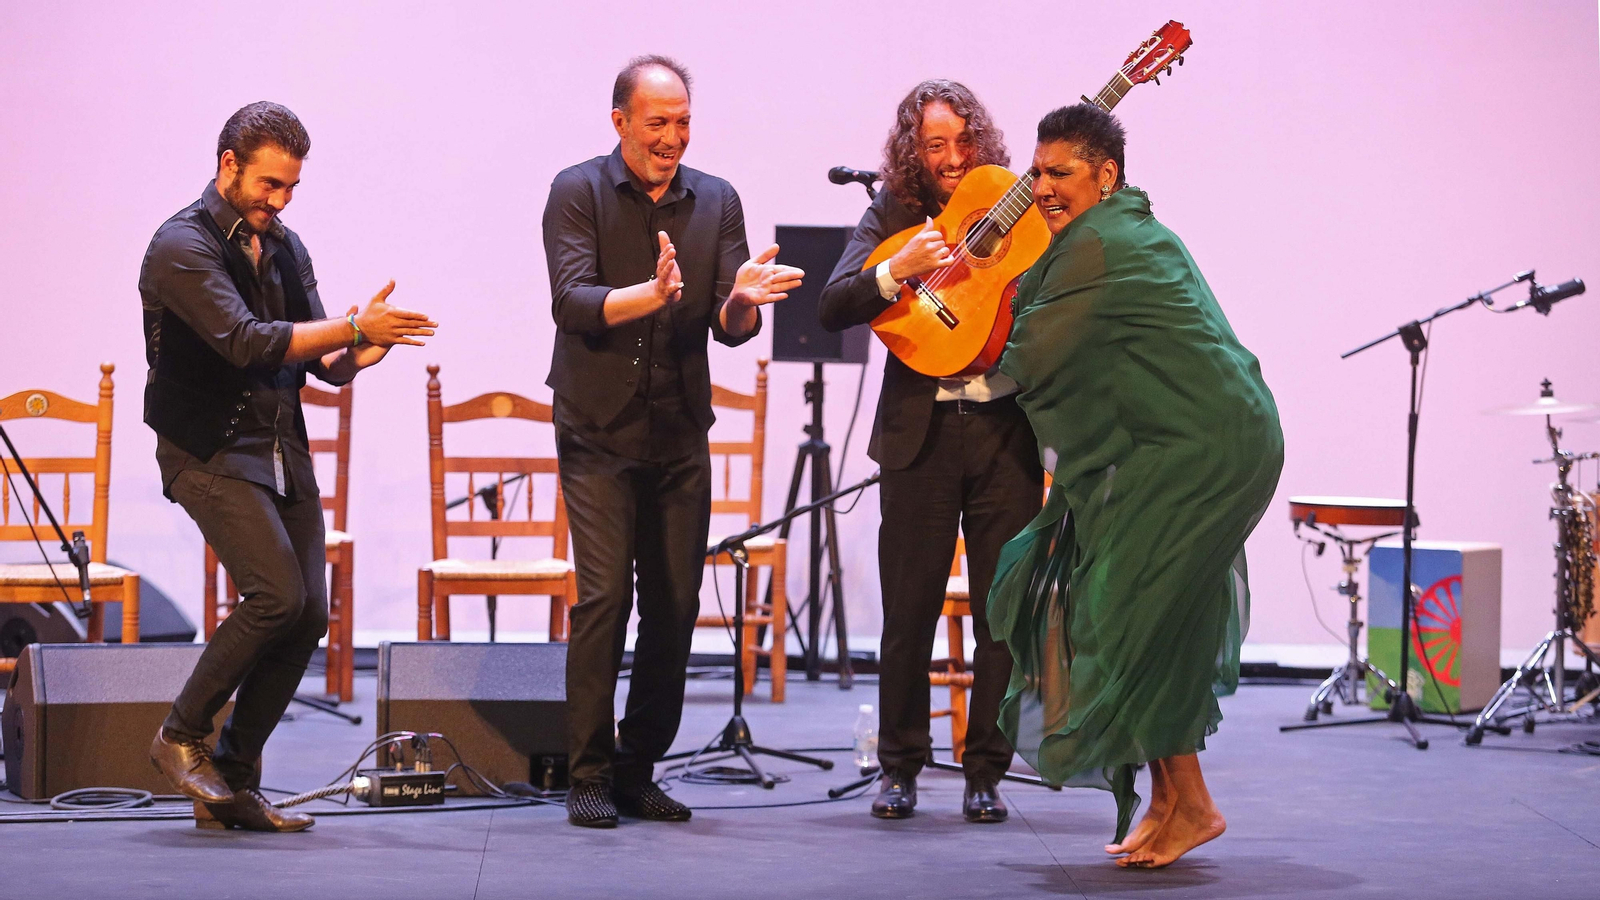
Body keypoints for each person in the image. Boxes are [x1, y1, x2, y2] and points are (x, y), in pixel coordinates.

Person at [988, 102, 1283, 867]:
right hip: (1180, 444)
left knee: (1123, 610)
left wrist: (941, 332)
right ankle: (1176, 801)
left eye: (1061, 174)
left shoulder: (1104, 242)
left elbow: (1023, 351)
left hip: (1207, 449)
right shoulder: (1117, 232)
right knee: (1145, 613)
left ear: (1105, 175)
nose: (1044, 188)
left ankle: (1195, 802)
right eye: (1038, 172)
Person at [142, 101, 436, 832]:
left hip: (278, 449)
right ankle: (179, 737)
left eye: (292, 188)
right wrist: (350, 328)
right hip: (207, 449)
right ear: (228, 165)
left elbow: (322, 359)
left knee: (307, 612)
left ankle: (233, 784)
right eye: (270, 184)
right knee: (274, 594)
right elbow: (246, 342)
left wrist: (364, 348)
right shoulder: (180, 246)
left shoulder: (284, 245)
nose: (280, 201)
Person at [543, 55, 803, 829]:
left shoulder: (716, 200)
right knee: (603, 600)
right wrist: (650, 295)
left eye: (683, 121)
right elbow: (572, 301)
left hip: (679, 431)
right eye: (658, 122)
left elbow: (729, 323)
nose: (673, 137)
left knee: (676, 604)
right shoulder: (577, 190)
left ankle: (635, 766)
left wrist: (744, 305)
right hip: (596, 430)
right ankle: (586, 773)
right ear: (620, 120)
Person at [818, 80, 1043, 823]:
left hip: (1006, 433)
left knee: (999, 616)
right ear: (914, 152)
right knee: (908, 612)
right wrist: (897, 267)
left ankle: (986, 771)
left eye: (961, 142)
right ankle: (900, 768)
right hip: (920, 436)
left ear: (981, 142)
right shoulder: (892, 212)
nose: (950, 159)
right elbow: (834, 303)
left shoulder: (1019, 204)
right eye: (934, 145)